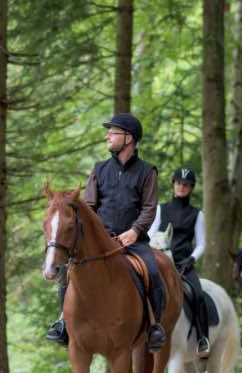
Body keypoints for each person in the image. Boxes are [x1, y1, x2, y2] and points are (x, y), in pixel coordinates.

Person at [45, 113, 167, 352]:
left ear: (128, 138)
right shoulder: (99, 170)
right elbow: (89, 207)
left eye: (113, 132)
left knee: (152, 271)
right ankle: (62, 323)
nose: (107, 136)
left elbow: (149, 208)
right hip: (101, 241)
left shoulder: (147, 171)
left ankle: (154, 327)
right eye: (108, 132)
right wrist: (95, 234)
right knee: (68, 273)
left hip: (133, 240)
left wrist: (135, 231)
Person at [148, 167, 210, 357]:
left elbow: (201, 243)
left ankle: (202, 338)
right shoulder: (161, 209)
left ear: (191, 188)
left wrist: (191, 259)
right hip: (160, 260)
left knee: (198, 295)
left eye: (186, 185)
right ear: (173, 185)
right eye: (179, 183)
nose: (182, 187)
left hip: (184, 263)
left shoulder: (197, 214)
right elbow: (150, 233)